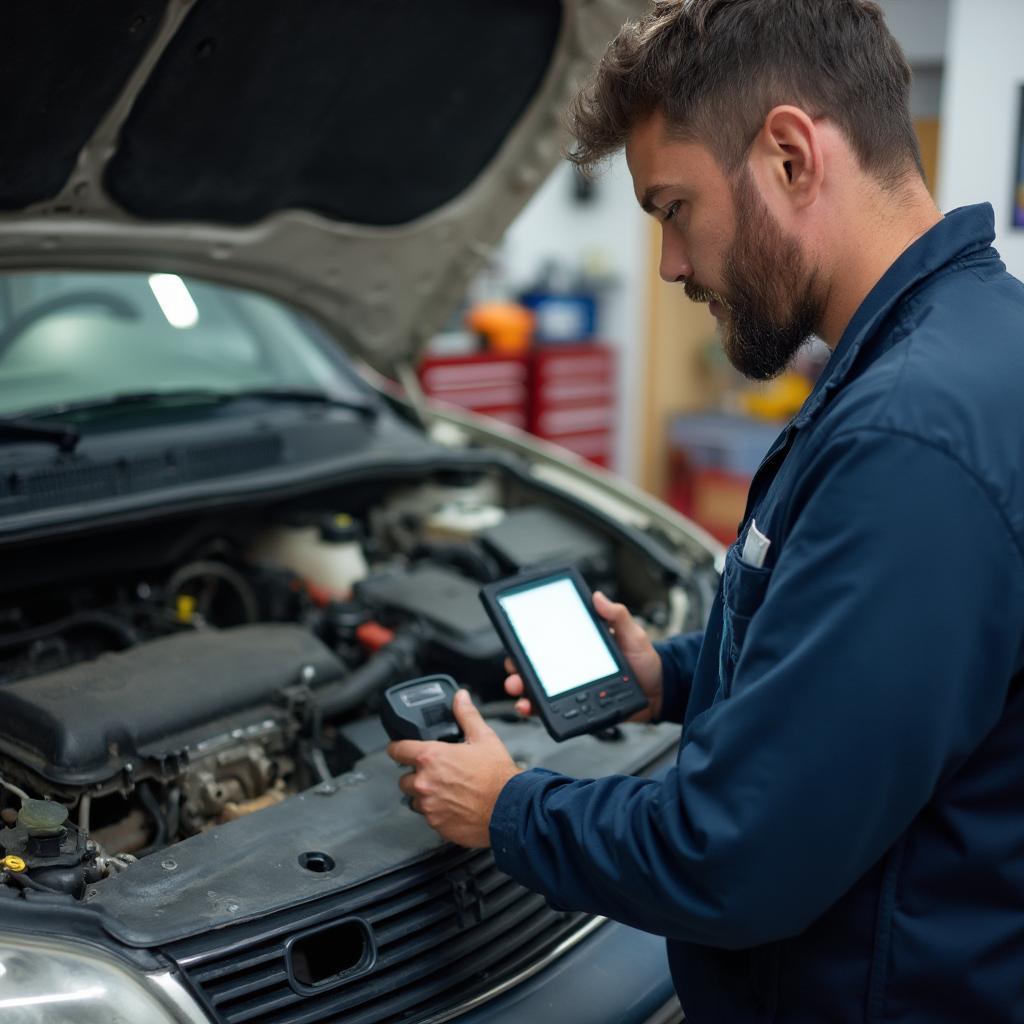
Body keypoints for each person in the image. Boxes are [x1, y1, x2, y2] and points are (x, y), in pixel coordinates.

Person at [387, 1, 1024, 1019]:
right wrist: (669, 673)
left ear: (787, 156)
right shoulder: (967, 347)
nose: (671, 265)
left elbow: (735, 856)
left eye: (673, 208)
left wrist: (507, 808)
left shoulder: (907, 437)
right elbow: (869, 671)